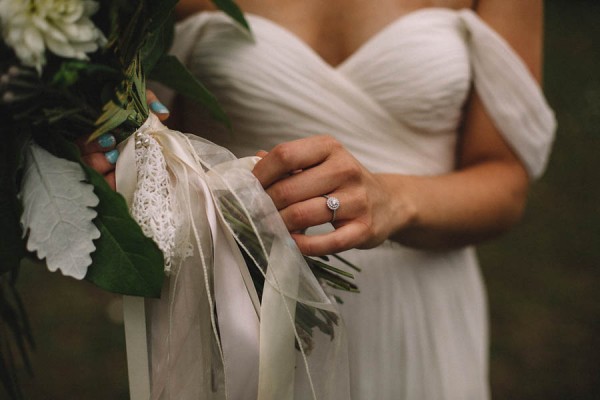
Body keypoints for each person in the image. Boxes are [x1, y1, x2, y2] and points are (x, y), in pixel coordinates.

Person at [80, 0, 555, 398]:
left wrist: (395, 200)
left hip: (417, 308)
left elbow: (505, 184)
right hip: (246, 312)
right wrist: (120, 164)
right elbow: (154, 146)